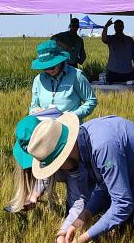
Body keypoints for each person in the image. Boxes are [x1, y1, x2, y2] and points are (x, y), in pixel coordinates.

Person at [13, 112, 134, 243]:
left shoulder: (103, 147)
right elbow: (104, 187)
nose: (62, 171)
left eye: (58, 166)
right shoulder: (85, 140)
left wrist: (82, 240)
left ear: (64, 154)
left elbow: (123, 204)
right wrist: (81, 219)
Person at [7, 41, 97, 229]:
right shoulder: (38, 81)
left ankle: (73, 222)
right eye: (44, 68)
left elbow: (91, 101)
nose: (48, 70)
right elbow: (33, 105)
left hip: (70, 137)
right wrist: (37, 111)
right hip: (46, 135)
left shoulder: (76, 76)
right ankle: (34, 197)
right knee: (46, 167)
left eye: (51, 66)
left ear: (60, 60)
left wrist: (72, 115)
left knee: (76, 180)